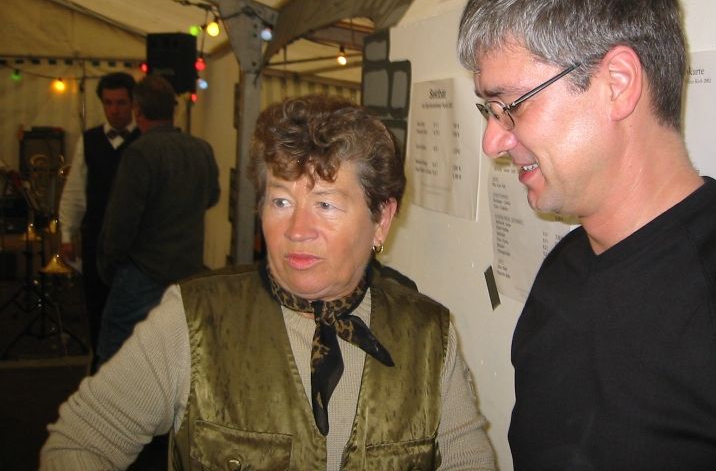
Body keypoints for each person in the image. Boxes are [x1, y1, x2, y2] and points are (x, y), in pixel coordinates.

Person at [458, 0, 716, 470]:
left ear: (617, 83)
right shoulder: (559, 275)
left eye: (511, 106)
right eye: (489, 111)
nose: (493, 142)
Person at [40, 94, 495, 470]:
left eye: (325, 204)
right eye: (280, 201)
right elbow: (78, 444)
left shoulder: (428, 335)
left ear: (382, 219)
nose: (297, 230)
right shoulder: (195, 320)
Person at [94, 74, 220, 366]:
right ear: (173, 109)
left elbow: (121, 222)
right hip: (187, 271)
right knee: (172, 359)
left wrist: (109, 265)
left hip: (143, 272)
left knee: (115, 359)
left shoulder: (140, 153)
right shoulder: (202, 149)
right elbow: (212, 197)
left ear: (137, 110)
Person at [58, 71, 140, 362]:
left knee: (133, 311)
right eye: (108, 103)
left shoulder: (144, 140)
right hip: (97, 239)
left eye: (120, 103)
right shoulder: (90, 140)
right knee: (97, 306)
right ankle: (100, 365)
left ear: (133, 104)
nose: (114, 110)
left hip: (134, 243)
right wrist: (67, 234)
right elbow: (76, 191)